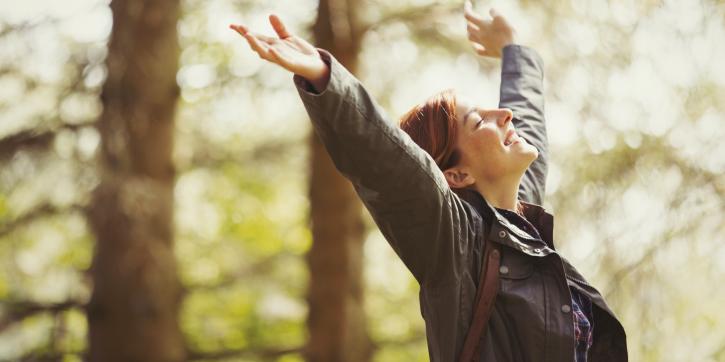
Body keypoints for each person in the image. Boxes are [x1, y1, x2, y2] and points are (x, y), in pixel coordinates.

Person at [231, 2, 627, 361]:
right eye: (478, 122)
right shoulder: (456, 241)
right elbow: (388, 161)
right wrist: (325, 78)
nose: (503, 115)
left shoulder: (519, 229)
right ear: (455, 175)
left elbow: (527, 122)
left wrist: (513, 50)